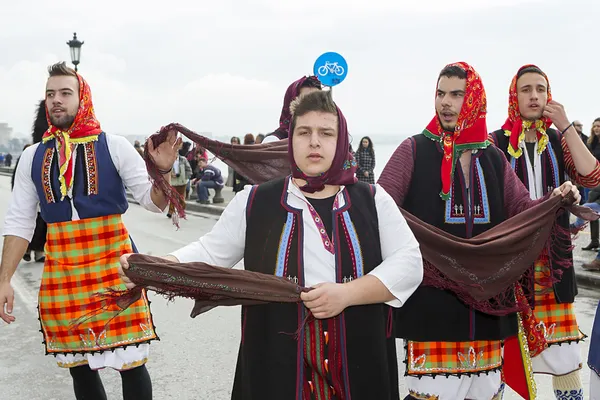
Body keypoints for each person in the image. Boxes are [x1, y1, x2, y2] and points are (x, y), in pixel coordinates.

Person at [120, 90, 424, 399]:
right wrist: (160, 265)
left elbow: (409, 262)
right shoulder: (254, 201)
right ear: (290, 140)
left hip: (358, 357)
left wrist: (346, 294)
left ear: (341, 141)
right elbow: (211, 251)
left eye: (326, 133)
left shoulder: (373, 200)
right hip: (275, 356)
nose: (314, 141)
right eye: (304, 132)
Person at [377, 61, 580, 400]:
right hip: (433, 304)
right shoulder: (413, 150)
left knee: (485, 393)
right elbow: (379, 208)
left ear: (474, 101)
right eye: (441, 93)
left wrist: (555, 199)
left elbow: (524, 212)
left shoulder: (493, 158)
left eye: (457, 94)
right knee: (432, 394)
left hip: (487, 306)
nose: (445, 102)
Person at [0, 61, 179, 400]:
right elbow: (19, 223)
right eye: (50, 94)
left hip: (114, 266)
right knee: (79, 368)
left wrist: (163, 172)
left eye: (65, 93)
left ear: (82, 98)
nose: (56, 100)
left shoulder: (114, 145)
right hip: (62, 269)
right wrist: (4, 279)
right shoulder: (32, 157)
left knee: (131, 363)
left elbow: (154, 202)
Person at [489, 64, 600, 399]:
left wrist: (566, 125)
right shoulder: (495, 143)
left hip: (554, 264)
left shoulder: (555, 138)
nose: (534, 95)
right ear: (514, 95)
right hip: (511, 266)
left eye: (541, 88)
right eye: (526, 89)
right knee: (500, 363)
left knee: (566, 360)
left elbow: (592, 176)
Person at [10, 100, 49, 263]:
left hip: (45, 199)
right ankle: (26, 249)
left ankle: (38, 250)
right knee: (30, 224)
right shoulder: (29, 155)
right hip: (33, 196)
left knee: (42, 226)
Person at [262, 76, 322, 143]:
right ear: (291, 104)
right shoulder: (273, 141)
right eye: (305, 101)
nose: (313, 106)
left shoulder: (329, 138)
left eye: (317, 100)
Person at [167, 145, 192, 218]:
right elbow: (166, 170)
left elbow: (188, 169)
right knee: (172, 197)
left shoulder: (183, 159)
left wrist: (186, 178)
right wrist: (171, 174)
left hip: (182, 181)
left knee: (181, 198)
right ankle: (170, 212)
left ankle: (181, 211)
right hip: (173, 182)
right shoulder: (169, 160)